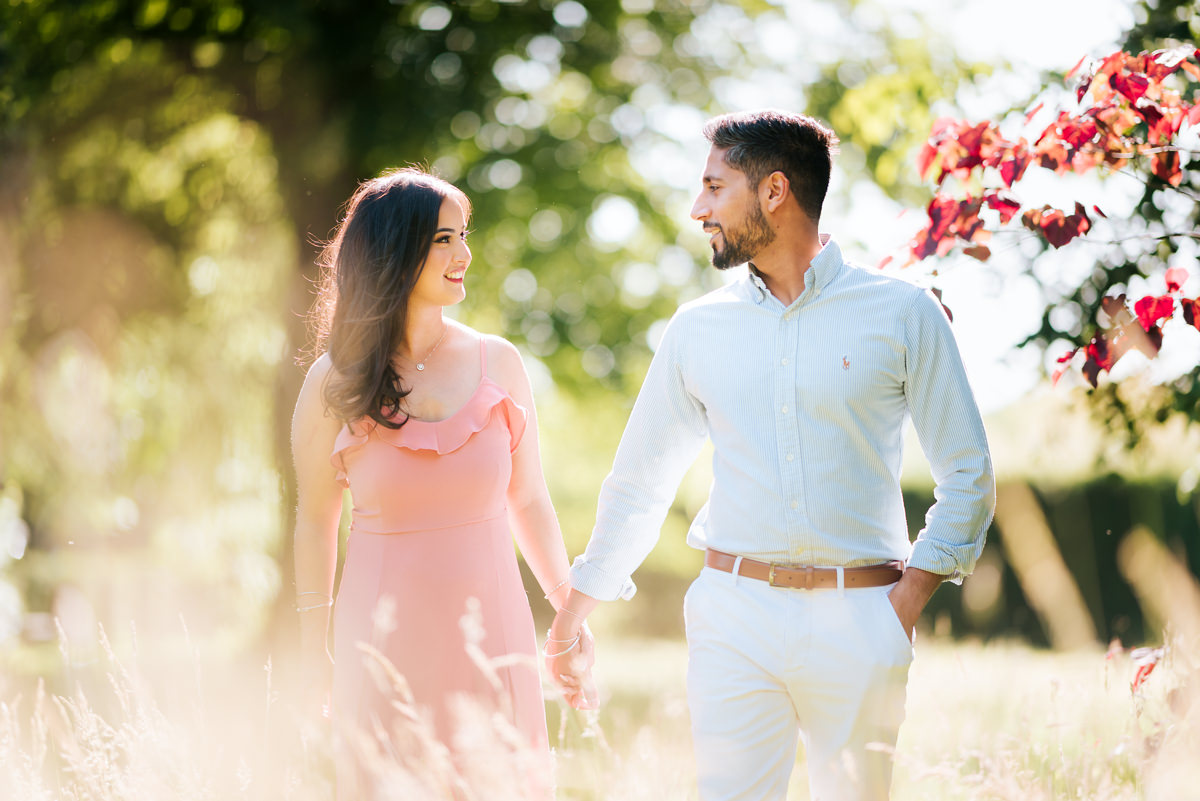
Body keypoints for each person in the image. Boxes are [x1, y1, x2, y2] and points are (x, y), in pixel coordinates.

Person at [547, 110, 996, 801]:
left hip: (862, 614)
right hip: (733, 614)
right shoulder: (698, 329)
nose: (699, 209)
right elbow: (640, 482)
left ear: (774, 191)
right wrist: (575, 611)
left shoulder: (902, 313)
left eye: (714, 187)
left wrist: (900, 607)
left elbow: (968, 473)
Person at [290, 167, 590, 799]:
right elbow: (315, 520)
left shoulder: (499, 362)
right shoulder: (331, 380)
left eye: (464, 236)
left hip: (493, 635)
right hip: (379, 639)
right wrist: (311, 645)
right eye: (444, 240)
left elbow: (529, 500)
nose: (465, 255)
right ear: (395, 251)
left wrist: (569, 612)